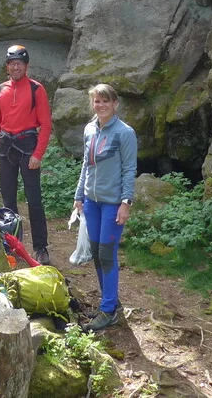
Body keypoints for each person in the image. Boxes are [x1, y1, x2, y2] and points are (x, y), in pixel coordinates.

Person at [73, 83, 137, 331]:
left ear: (115, 104)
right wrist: (79, 196)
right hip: (91, 202)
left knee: (107, 255)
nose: (100, 106)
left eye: (105, 101)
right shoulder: (90, 129)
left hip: (112, 204)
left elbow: (130, 169)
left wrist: (126, 203)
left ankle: (108, 310)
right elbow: (85, 166)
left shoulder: (124, 133)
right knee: (98, 253)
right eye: (96, 101)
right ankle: (111, 302)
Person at [0, 44, 54, 264]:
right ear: (7, 67)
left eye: (19, 63)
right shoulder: (0, 90)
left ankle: (41, 248)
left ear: (26, 66)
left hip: (27, 145)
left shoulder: (37, 89)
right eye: (12, 64)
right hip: (6, 145)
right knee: (8, 200)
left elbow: (45, 124)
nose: (16, 67)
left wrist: (38, 154)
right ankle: (13, 244)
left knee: (34, 200)